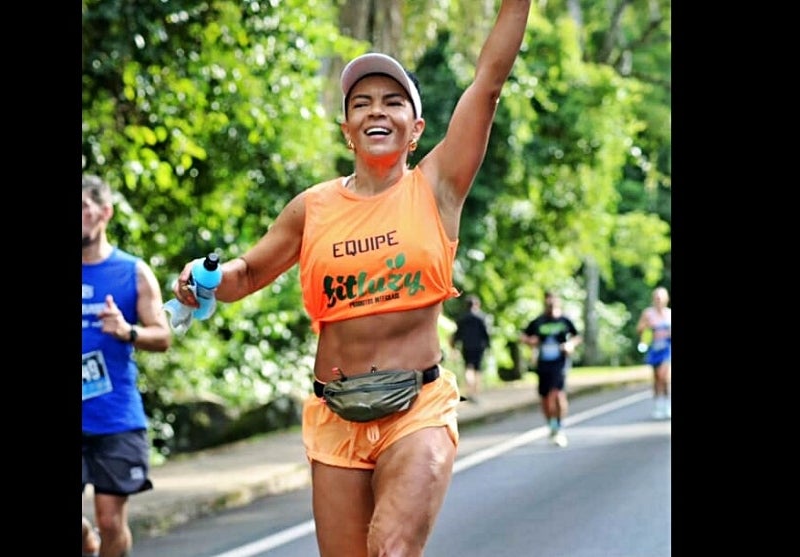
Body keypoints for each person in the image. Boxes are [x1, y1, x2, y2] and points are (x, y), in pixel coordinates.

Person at [170, 2, 531, 554]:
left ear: (416, 129)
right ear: (347, 130)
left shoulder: (437, 186)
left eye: (392, 102)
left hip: (418, 407)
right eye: (361, 103)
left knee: (390, 546)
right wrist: (202, 281)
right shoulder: (313, 208)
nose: (375, 111)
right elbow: (246, 274)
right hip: (334, 414)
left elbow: (488, 81)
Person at [82, 174, 172, 557]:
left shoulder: (132, 271)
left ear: (105, 213)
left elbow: (162, 336)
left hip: (115, 418)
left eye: (84, 209)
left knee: (110, 521)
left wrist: (127, 331)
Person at [520, 291, 582, 448]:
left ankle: (560, 426)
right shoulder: (538, 322)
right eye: (549, 305)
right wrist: (530, 341)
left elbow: (577, 336)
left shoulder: (565, 320)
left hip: (559, 363)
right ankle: (552, 425)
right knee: (546, 398)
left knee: (558, 395)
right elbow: (523, 336)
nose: (552, 308)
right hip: (543, 364)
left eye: (554, 305)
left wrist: (570, 345)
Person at [636, 286, 671, 419]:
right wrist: (648, 327)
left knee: (664, 376)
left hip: (667, 348)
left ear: (666, 299)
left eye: (661, 298)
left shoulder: (669, 314)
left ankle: (667, 403)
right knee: (656, 378)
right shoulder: (648, 313)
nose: (659, 300)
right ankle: (658, 405)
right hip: (654, 347)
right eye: (656, 298)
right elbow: (639, 329)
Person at [450, 295, 491, 402]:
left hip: (466, 346)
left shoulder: (461, 319)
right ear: (477, 304)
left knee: (468, 367)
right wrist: (488, 346)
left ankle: (469, 391)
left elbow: (457, 335)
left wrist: (454, 346)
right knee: (477, 369)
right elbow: (486, 334)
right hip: (479, 347)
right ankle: (475, 392)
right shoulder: (482, 318)